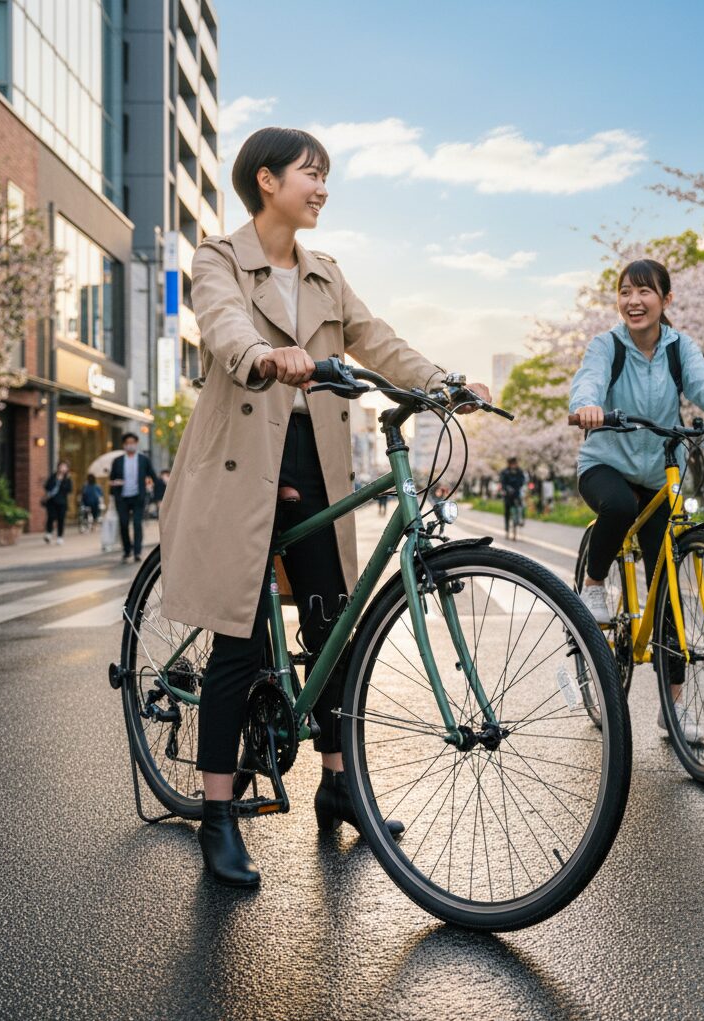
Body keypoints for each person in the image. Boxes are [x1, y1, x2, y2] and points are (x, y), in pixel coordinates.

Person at [158, 126, 491, 888]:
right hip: (246, 461)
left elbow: (378, 339)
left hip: (316, 461)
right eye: (311, 174)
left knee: (332, 625)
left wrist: (442, 382)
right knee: (239, 641)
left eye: (325, 175)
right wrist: (262, 356)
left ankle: (338, 787)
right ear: (267, 180)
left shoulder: (324, 273)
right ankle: (217, 814)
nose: (323, 188)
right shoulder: (218, 258)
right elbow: (223, 324)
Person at [570, 258, 704, 739]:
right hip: (606, 464)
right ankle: (594, 582)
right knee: (619, 507)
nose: (633, 301)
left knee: (669, 587)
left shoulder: (680, 349)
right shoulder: (607, 345)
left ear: (666, 299)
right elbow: (589, 379)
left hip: (660, 471)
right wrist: (587, 406)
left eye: (645, 292)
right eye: (625, 292)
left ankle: (673, 706)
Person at [109, 433, 160, 564]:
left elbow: (153, 476)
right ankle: (127, 550)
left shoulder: (143, 460)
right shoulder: (118, 461)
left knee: (137, 524)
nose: (130, 445)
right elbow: (111, 479)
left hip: (138, 497)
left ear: (136, 444)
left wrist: (157, 493)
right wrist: (115, 484)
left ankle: (137, 552)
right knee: (123, 524)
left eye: (132, 442)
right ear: (124, 445)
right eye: (128, 443)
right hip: (122, 498)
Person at [42, 461, 72, 545]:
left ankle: (60, 537)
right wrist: (56, 481)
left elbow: (69, 490)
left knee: (61, 519)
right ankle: (49, 533)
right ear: (58, 467)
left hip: (62, 502)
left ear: (67, 469)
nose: (63, 468)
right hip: (51, 501)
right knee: (51, 517)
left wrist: (62, 482)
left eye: (65, 467)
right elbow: (47, 486)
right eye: (61, 466)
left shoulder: (67, 479)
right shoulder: (53, 476)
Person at [499, 457, 526, 531]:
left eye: (515, 463)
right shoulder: (505, 472)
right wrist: (507, 488)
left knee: (521, 506)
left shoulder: (519, 471)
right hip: (508, 494)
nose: (514, 465)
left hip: (517, 493)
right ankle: (507, 526)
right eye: (512, 464)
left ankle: (520, 520)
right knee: (507, 509)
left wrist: (519, 486)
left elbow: (523, 480)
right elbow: (502, 482)